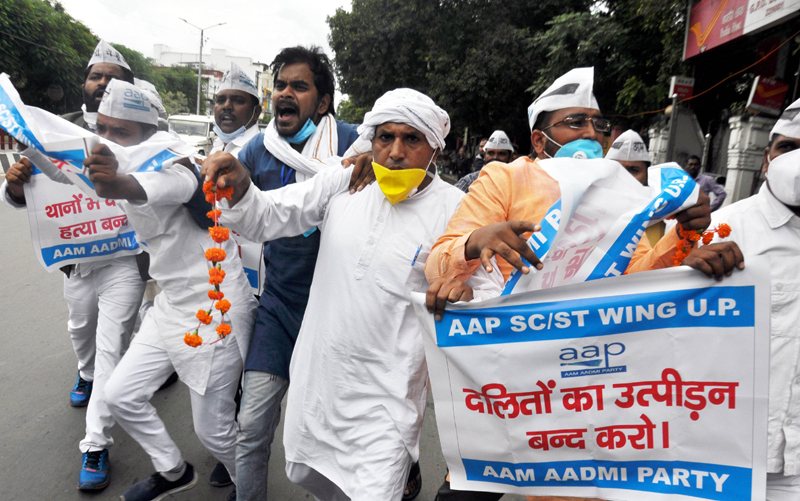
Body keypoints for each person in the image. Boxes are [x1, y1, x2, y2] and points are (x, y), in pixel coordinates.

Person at [426, 67, 713, 501]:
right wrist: (473, 241)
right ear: (540, 141)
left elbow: (634, 278)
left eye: (597, 124)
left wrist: (682, 236)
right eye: (574, 122)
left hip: (581, 375)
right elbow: (438, 263)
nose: (592, 134)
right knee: (469, 490)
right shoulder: (507, 178)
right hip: (503, 371)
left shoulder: (617, 190)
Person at [203, 87, 502, 501]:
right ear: (371, 141)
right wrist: (241, 190)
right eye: (385, 137)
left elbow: (489, 291)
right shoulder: (345, 182)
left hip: (387, 401)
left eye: (411, 139)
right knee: (305, 471)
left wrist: (464, 298)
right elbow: (270, 216)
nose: (395, 151)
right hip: (320, 384)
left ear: (435, 148)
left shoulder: (456, 209)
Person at [83, 79, 257, 501]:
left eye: (120, 132)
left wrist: (118, 185)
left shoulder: (174, 163)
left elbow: (166, 187)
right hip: (172, 305)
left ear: (147, 132)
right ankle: (173, 470)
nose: (107, 140)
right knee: (120, 394)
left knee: (214, 432)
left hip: (215, 309)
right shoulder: (114, 159)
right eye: (102, 129)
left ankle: (248, 485)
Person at [0, 39, 148, 491]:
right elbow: (25, 198)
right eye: (95, 76)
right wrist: (17, 184)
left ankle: (96, 445)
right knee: (80, 332)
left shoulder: (142, 133)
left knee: (111, 351)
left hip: (125, 261)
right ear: (84, 84)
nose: (102, 83)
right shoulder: (49, 131)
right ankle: (83, 374)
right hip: (78, 266)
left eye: (113, 77)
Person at [227, 45, 360, 501]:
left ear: (322, 103)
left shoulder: (355, 143)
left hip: (339, 316)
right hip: (279, 310)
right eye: (280, 84)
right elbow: (217, 200)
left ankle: (399, 471)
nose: (285, 93)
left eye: (299, 86)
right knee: (252, 426)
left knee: (336, 436)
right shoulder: (257, 149)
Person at [693, 97, 800, 500]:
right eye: (788, 147)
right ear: (767, 157)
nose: (797, 159)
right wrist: (686, 265)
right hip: (728, 454)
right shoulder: (724, 227)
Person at [605, 129, 664, 246]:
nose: (624, 177)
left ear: (647, 176)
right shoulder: (585, 211)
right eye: (617, 168)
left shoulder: (662, 216)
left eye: (634, 170)